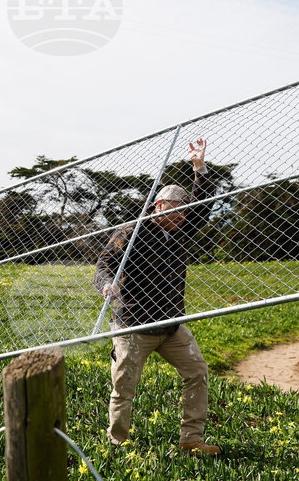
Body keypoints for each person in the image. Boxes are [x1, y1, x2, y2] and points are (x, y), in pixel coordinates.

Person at [94, 138, 220, 456]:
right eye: (175, 210)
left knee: (197, 372)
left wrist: (199, 167)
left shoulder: (179, 231)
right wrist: (108, 285)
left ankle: (191, 440)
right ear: (159, 206)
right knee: (124, 387)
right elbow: (104, 265)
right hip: (133, 325)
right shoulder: (132, 232)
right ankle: (117, 443)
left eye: (184, 211)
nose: (181, 216)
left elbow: (203, 206)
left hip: (172, 325)